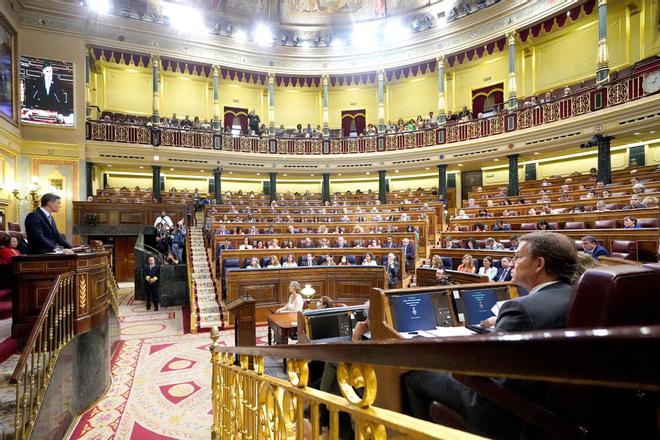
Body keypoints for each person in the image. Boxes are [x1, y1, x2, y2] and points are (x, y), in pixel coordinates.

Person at [404, 231, 578, 438]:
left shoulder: (522, 308)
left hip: (502, 408)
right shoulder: (576, 296)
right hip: (547, 404)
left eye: (518, 257)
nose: (513, 263)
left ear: (539, 264)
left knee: (416, 372)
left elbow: (488, 370)